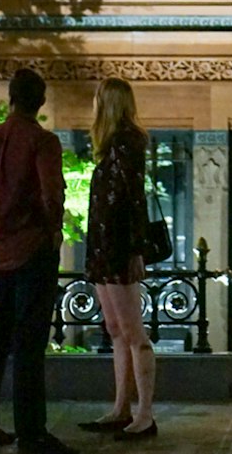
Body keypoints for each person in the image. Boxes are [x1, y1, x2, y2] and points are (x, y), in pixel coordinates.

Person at [0, 67, 74, 454]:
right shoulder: (43, 142)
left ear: (10, 97)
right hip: (33, 253)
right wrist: (51, 232)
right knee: (29, 346)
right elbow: (51, 197)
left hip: (0, 256)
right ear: (40, 102)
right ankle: (32, 433)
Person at [79, 78, 157, 442]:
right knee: (115, 329)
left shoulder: (128, 142)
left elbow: (134, 198)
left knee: (133, 332)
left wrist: (136, 249)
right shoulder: (112, 144)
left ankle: (144, 413)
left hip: (118, 247)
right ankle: (121, 407)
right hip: (103, 245)